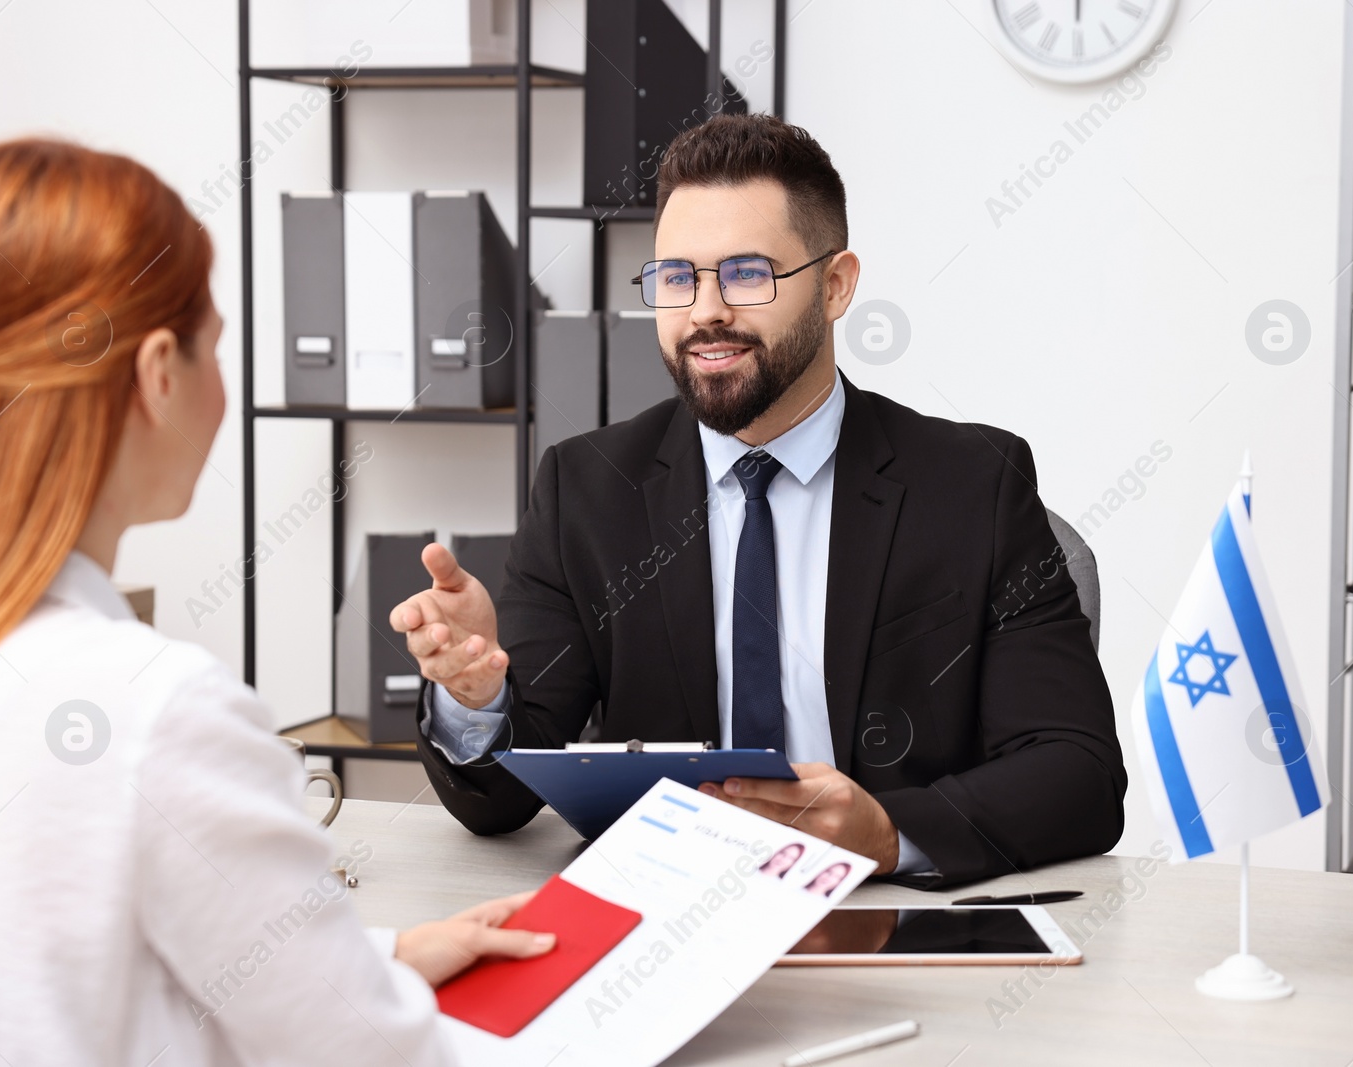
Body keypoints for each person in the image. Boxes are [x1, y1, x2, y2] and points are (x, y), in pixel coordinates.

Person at [0, 139, 553, 1067]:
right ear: (160, 371)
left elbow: (52, 963)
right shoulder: (155, 708)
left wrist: (381, 955)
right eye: (216, 346)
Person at [391, 113, 1127, 889]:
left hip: (894, 916)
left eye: (746, 273)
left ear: (836, 285)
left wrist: (887, 831)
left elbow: (1076, 772)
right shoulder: (586, 489)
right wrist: (477, 696)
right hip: (664, 917)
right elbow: (502, 800)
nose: (705, 310)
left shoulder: (975, 483)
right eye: (677, 277)